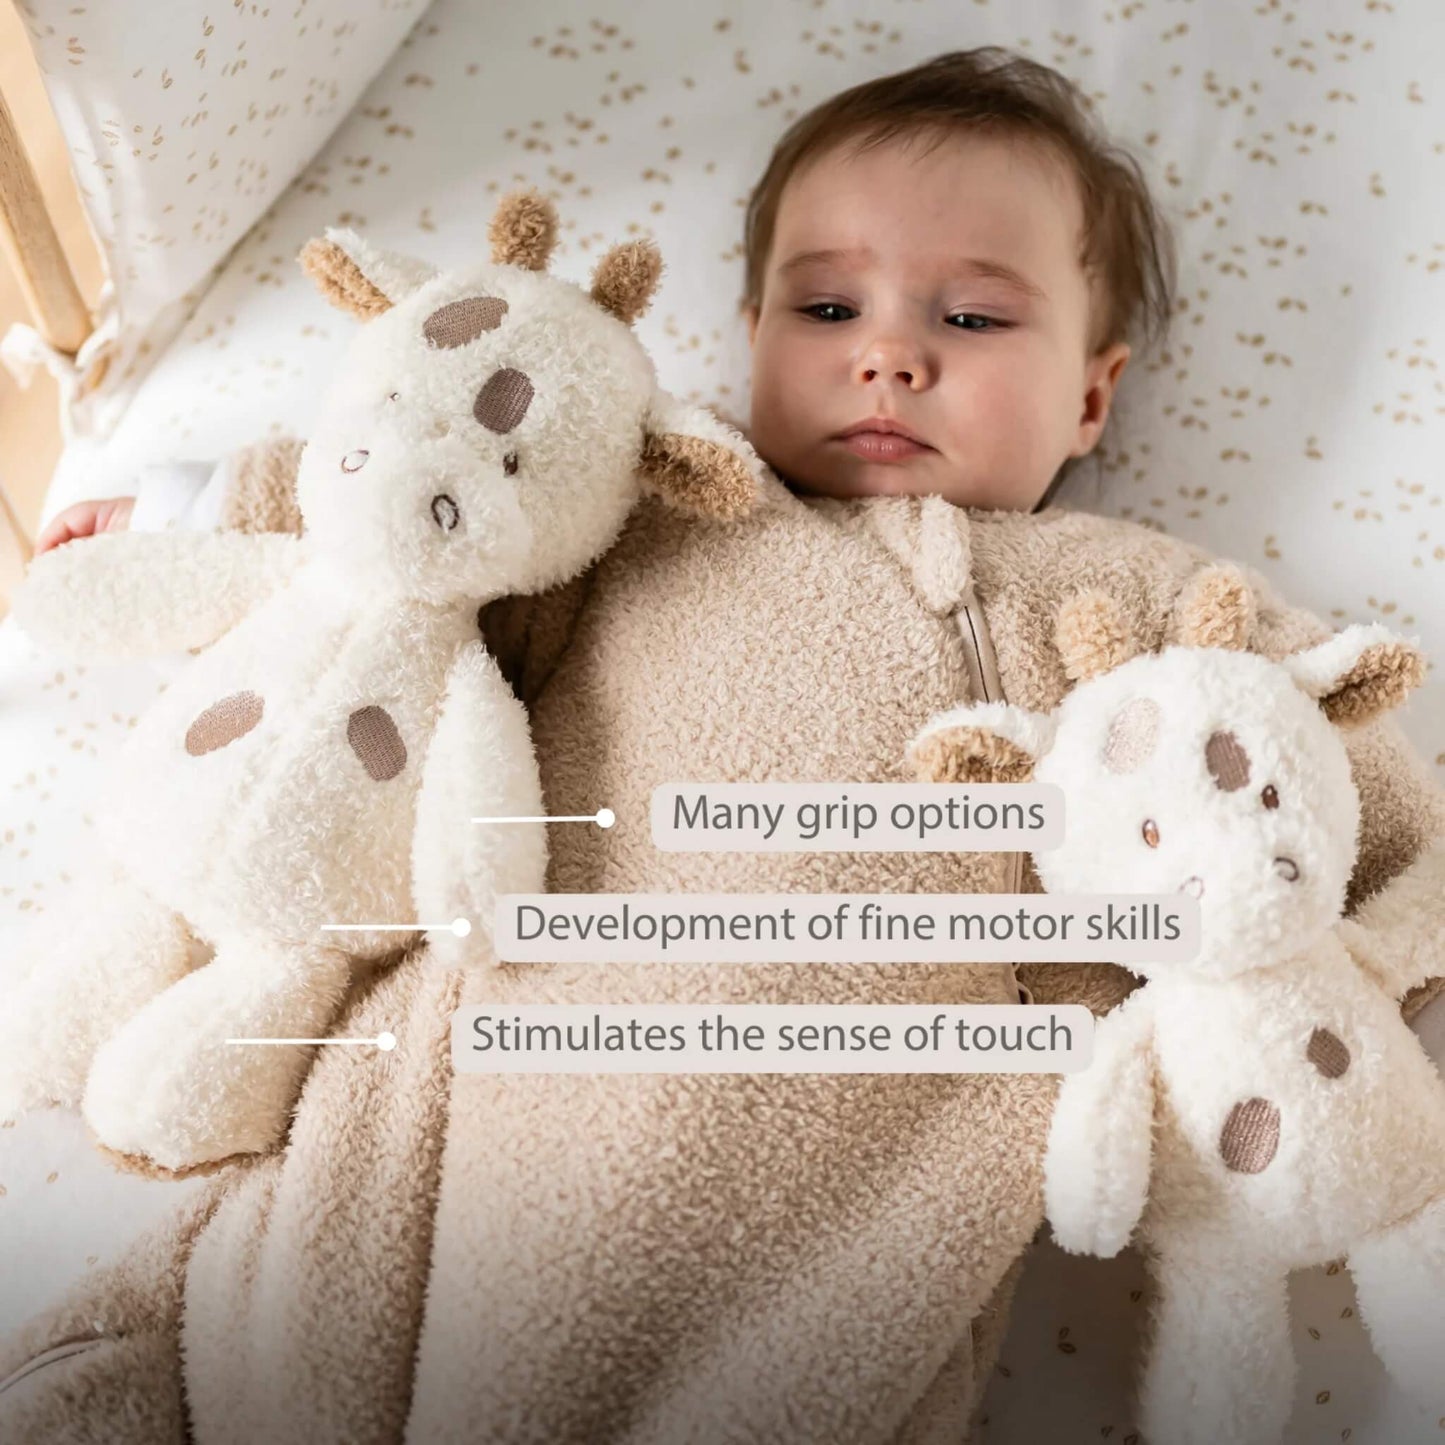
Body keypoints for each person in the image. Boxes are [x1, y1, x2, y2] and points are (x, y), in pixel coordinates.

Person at [6, 48, 1442, 1443]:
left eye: (973, 320)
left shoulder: (1118, 602)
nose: (888, 350)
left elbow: (1319, 774)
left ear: (1088, 392)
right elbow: (412, 512)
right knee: (270, 1321)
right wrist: (203, 502)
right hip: (499, 1067)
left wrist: (1394, 954)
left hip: (850, 1162)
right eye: (826, 306)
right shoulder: (647, 510)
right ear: (750, 333)